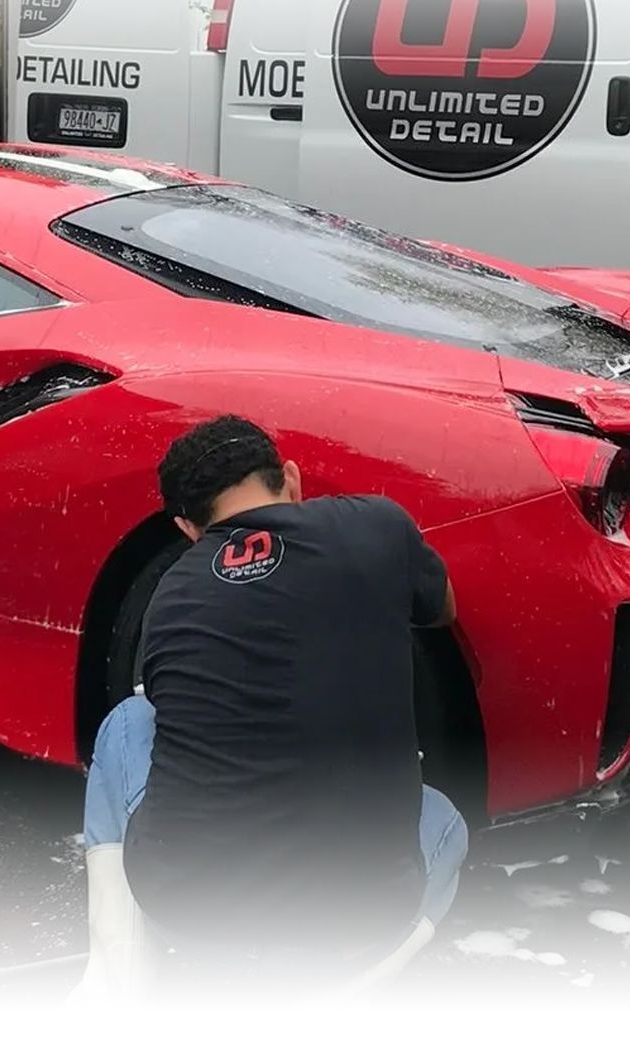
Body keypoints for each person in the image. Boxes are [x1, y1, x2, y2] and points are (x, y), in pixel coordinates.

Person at [81, 414, 466, 991]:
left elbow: (175, 713)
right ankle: (349, 990)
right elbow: (443, 609)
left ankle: (120, 976)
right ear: (291, 477)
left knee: (129, 721)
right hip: (361, 921)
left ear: (188, 527)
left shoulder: (171, 594)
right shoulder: (377, 528)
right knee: (444, 823)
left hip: (190, 911)